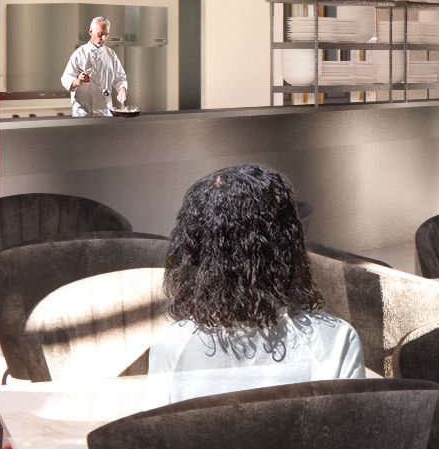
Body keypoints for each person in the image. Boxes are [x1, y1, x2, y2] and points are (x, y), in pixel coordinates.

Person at [147, 163, 364, 381]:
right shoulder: (336, 340)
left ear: (192, 250)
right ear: (287, 244)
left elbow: (156, 415)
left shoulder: (171, 347)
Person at [62, 15, 129, 117]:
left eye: (106, 34)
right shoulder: (79, 53)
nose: (103, 38)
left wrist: (122, 90)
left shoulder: (111, 54)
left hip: (105, 111)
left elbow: (120, 78)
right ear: (90, 32)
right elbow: (66, 78)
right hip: (83, 111)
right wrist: (78, 81)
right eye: (100, 34)